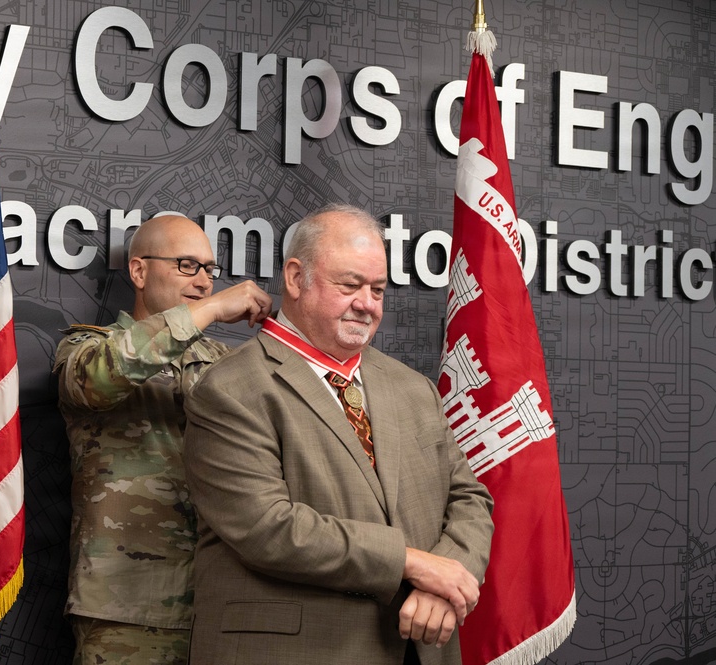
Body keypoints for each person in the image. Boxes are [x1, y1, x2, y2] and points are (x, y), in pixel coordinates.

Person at [182, 203, 495, 665]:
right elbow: (268, 528)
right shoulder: (230, 389)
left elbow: (470, 498)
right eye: (349, 285)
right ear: (295, 277)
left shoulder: (413, 388)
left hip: (421, 648)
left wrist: (448, 578)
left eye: (378, 289)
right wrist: (414, 564)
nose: (367, 304)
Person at [54, 214, 273, 665]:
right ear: (139, 271)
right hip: (127, 606)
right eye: (187, 266)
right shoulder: (85, 347)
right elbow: (102, 376)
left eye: (210, 271)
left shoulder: (226, 362)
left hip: (222, 603)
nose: (204, 282)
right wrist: (211, 311)